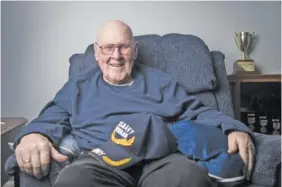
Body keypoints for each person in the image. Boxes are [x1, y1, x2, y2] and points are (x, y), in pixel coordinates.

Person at [14, 20, 255, 187]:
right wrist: (34, 134)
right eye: (108, 48)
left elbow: (197, 111)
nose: (116, 56)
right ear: (97, 52)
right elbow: (52, 115)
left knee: (190, 177)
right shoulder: (79, 85)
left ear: (135, 50)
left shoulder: (159, 82)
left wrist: (233, 127)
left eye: (123, 47)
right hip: (100, 160)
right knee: (72, 181)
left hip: (161, 158)